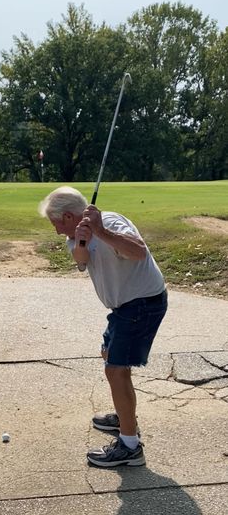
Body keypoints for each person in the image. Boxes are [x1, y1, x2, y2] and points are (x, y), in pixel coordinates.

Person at [39, 186, 168, 467]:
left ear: (69, 216)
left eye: (56, 223)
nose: (56, 231)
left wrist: (100, 232)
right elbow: (81, 262)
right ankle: (125, 418)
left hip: (143, 303)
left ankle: (130, 446)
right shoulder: (75, 235)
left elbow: (138, 252)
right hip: (124, 307)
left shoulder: (110, 223)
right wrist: (83, 241)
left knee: (116, 370)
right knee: (109, 356)